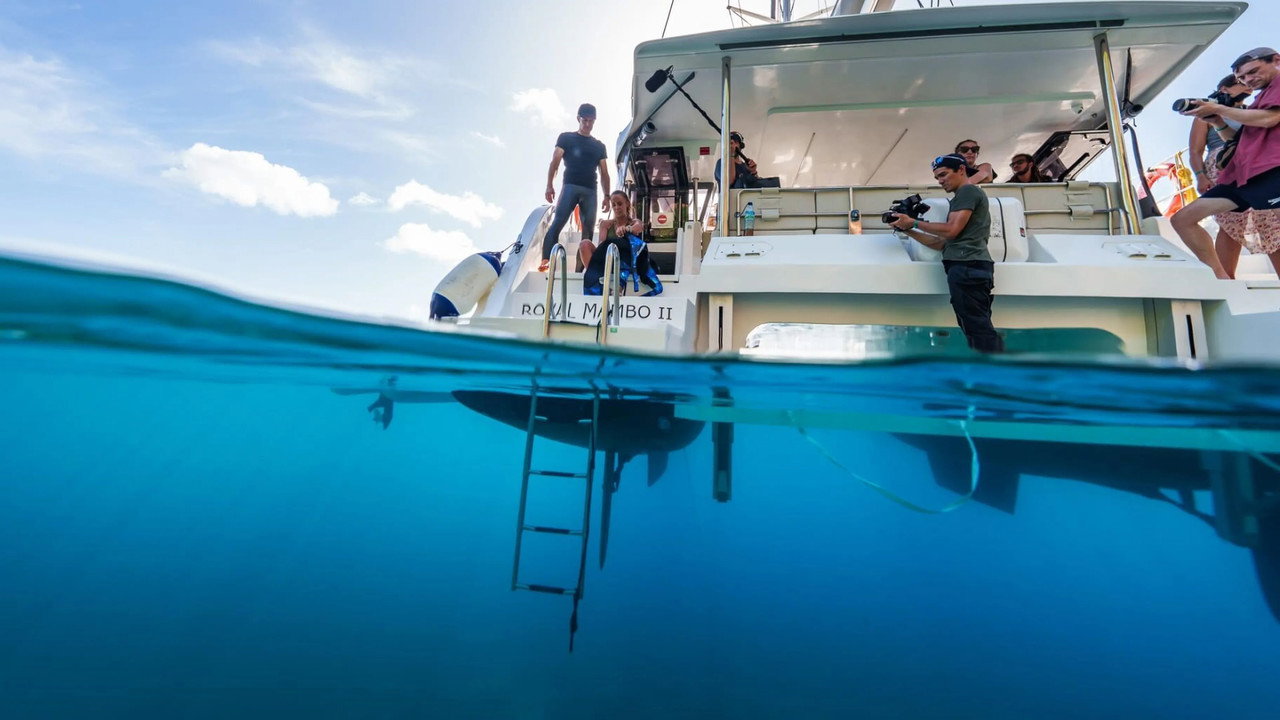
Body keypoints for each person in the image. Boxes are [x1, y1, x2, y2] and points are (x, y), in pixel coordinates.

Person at [1174, 47, 1280, 279]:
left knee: (1274, 233)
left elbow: (1270, 119)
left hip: (1271, 173)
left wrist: (1219, 108)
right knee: (1183, 219)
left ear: (1276, 60)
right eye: (1242, 78)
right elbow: (1237, 141)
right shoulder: (1256, 101)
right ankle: (1223, 281)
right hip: (1241, 175)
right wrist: (1217, 121)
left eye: (1253, 72)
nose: (1248, 80)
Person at [890, 154, 1004, 353]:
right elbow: (941, 244)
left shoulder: (967, 192)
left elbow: (951, 230)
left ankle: (995, 372)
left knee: (977, 329)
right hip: (967, 267)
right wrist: (907, 229)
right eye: (937, 178)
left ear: (961, 170)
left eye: (943, 175)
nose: (940, 181)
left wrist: (914, 222)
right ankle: (991, 371)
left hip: (967, 267)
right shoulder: (962, 197)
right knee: (974, 326)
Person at [540, 103, 610, 272]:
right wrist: (549, 185)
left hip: (590, 191)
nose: (588, 124)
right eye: (585, 120)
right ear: (578, 119)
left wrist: (607, 195)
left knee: (587, 231)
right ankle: (546, 260)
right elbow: (555, 162)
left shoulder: (599, 146)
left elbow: (604, 173)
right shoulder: (566, 138)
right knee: (558, 222)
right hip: (570, 186)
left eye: (591, 121)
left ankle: (580, 270)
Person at [586, 191, 645, 269]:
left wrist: (626, 229)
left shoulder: (634, 222)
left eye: (620, 204)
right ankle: (593, 275)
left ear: (627, 203)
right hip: (609, 261)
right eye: (614, 205)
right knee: (585, 244)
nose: (617, 207)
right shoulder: (605, 224)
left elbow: (639, 227)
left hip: (627, 262)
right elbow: (601, 247)